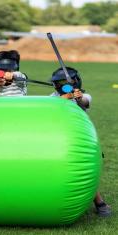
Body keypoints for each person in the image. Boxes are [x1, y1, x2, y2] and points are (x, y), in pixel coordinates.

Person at [50, 67, 111, 217]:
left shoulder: (83, 96)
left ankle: (99, 203)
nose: (63, 85)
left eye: (66, 82)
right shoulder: (53, 97)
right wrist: (61, 100)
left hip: (82, 141)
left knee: (88, 173)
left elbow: (85, 100)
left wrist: (77, 98)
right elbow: (51, 107)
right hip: (61, 139)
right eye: (60, 83)